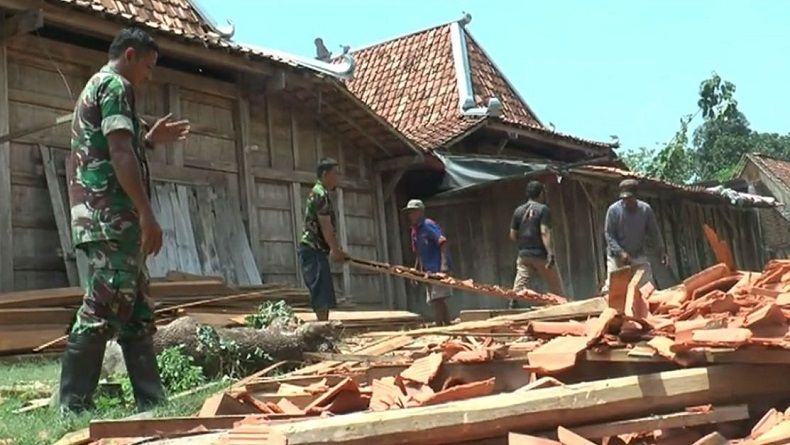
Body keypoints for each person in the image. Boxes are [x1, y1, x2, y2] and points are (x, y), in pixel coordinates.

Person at [61, 27, 190, 413]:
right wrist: (148, 215)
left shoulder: (100, 87)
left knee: (136, 310)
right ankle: (73, 404)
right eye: (148, 66)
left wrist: (147, 140)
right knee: (103, 305)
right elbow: (119, 154)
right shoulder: (115, 85)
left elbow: (113, 144)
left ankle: (151, 401)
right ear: (130, 55)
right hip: (110, 216)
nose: (149, 76)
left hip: (105, 216)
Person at [299, 158, 347, 322]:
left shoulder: (321, 193)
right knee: (320, 291)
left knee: (323, 290)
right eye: (335, 174)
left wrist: (336, 249)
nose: (337, 178)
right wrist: (334, 250)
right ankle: (322, 328)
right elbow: (326, 226)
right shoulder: (320, 194)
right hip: (313, 248)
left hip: (316, 248)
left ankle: (323, 326)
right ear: (325, 174)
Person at [602, 178, 668, 293]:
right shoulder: (614, 210)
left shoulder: (645, 210)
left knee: (647, 288)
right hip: (616, 257)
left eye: (630, 198)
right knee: (613, 291)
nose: (627, 201)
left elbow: (654, 232)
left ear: (636, 196)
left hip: (638, 254)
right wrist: (620, 252)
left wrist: (661, 251)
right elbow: (609, 235)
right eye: (625, 199)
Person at [508, 180, 563, 309]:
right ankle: (561, 306)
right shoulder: (543, 209)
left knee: (521, 278)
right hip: (540, 253)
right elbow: (544, 231)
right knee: (555, 285)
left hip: (524, 254)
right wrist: (550, 253)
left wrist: (524, 243)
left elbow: (512, 235)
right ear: (541, 194)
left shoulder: (518, 211)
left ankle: (513, 300)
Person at [404, 199, 452, 326]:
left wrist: (444, 266)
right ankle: (446, 324)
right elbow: (418, 254)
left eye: (413, 212)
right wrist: (416, 272)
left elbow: (442, 243)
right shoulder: (415, 231)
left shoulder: (428, 225)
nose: (411, 215)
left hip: (437, 267)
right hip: (428, 270)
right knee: (435, 299)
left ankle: (439, 326)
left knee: (438, 299)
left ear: (421, 212)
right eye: (409, 213)